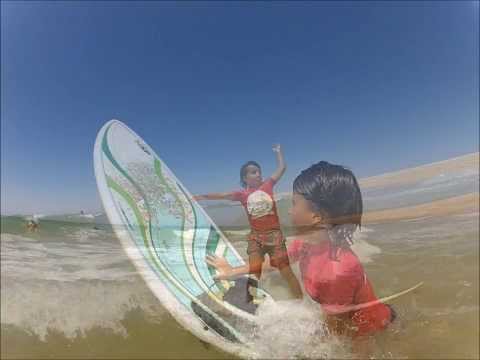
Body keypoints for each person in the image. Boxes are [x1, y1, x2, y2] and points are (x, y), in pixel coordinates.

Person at [207, 161, 395, 339]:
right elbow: (275, 263)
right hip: (342, 316)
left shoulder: (337, 271)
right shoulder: (305, 243)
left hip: (369, 327)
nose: (289, 211)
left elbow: (339, 337)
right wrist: (232, 271)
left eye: (295, 203)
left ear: (316, 216)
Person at [195, 145, 302, 299]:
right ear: (245, 178)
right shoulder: (242, 194)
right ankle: (252, 294)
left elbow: (282, 168)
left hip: (275, 235)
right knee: (255, 267)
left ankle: (299, 301)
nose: (258, 175)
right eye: (254, 172)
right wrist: (201, 197)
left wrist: (279, 152)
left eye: (259, 172)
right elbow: (222, 195)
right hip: (256, 236)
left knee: (285, 271)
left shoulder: (268, 185)